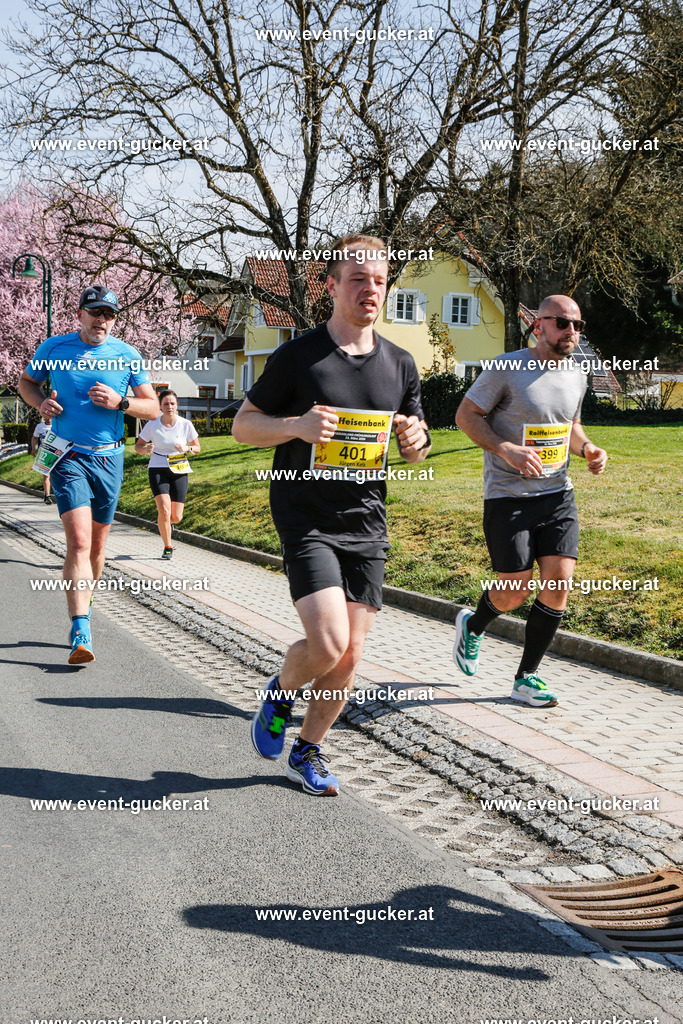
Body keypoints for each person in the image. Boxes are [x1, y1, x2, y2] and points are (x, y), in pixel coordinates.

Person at [232, 234, 431, 796]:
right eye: (358, 278)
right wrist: (295, 425)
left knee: (349, 657)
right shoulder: (299, 356)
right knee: (326, 644)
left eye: (380, 280)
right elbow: (244, 424)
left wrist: (417, 440)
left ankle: (309, 750)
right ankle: (279, 692)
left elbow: (415, 444)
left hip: (366, 521)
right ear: (331, 286)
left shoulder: (400, 363)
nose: (371, 289)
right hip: (305, 514)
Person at [454, 294, 608, 707]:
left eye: (577, 324)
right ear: (538, 325)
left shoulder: (578, 374)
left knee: (559, 584)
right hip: (508, 497)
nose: (570, 332)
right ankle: (474, 624)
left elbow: (571, 426)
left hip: (558, 494)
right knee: (514, 592)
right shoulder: (507, 367)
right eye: (561, 323)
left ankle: (526, 677)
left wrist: (589, 448)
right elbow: (466, 416)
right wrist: (507, 449)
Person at [19, 285, 159, 664]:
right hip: (68, 455)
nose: (102, 319)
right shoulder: (54, 348)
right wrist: (40, 402)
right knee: (79, 543)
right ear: (80, 313)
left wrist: (122, 402)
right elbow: (27, 383)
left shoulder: (126, 355)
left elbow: (154, 408)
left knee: (98, 548)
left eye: (109, 313)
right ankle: (80, 626)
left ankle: (86, 598)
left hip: (110, 459)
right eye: (95, 311)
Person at [134, 389, 201, 559]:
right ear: (160, 406)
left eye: (172, 403)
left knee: (176, 517)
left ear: (177, 406)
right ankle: (168, 546)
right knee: (164, 510)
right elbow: (138, 446)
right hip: (157, 467)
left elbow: (197, 448)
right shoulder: (152, 424)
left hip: (179, 466)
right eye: (166, 404)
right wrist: (145, 449)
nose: (169, 406)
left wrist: (188, 448)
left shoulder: (186, 424)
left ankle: (166, 525)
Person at [32, 414, 54, 504]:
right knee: (46, 475)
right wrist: (34, 448)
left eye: (50, 417)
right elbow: (34, 438)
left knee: (56, 475)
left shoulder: (57, 425)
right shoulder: (40, 426)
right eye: (47, 416)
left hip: (56, 453)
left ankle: (55, 494)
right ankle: (47, 495)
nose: (48, 418)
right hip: (45, 453)